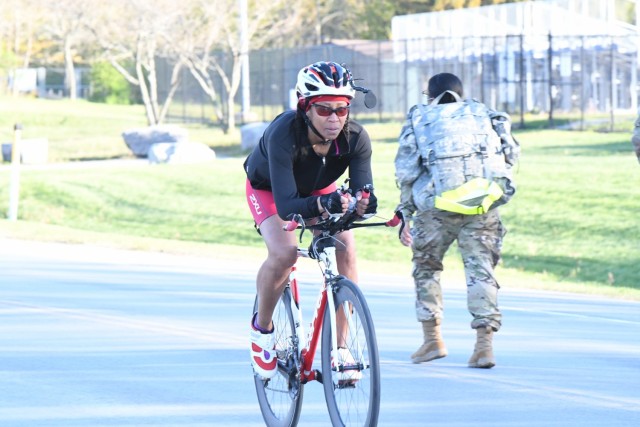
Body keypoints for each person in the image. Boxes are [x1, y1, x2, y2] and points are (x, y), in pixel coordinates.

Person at [244, 61, 377, 379]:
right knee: (285, 253)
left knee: (345, 248)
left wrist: (362, 204)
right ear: (305, 108)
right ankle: (261, 331)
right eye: (324, 110)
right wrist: (324, 203)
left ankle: (341, 350)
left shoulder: (356, 138)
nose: (334, 119)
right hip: (271, 191)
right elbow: (288, 205)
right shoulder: (283, 134)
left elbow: (365, 196)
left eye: (341, 110)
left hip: (317, 187)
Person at [394, 72, 520, 369]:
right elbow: (511, 153)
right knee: (481, 272)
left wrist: (405, 212)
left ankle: (432, 340)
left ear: (429, 96)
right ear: (461, 94)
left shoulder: (421, 117)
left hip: (436, 207)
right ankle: (484, 347)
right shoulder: (483, 113)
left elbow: (407, 169)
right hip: (482, 204)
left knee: (426, 268)